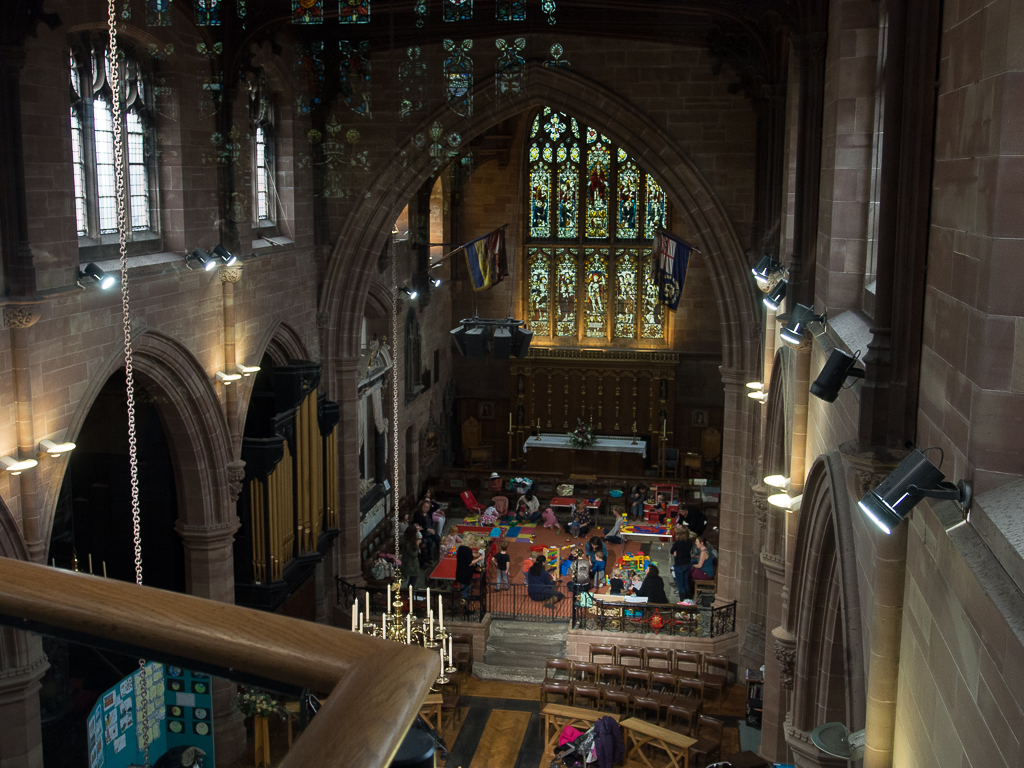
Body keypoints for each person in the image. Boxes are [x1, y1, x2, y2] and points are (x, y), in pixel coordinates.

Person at [670, 527, 693, 601]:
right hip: (687, 564)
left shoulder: (678, 542)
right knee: (686, 582)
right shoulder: (690, 542)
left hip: (679, 565)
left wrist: (675, 551)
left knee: (680, 584)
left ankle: (683, 601)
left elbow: (671, 550)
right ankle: (689, 599)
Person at [399, 525, 422, 589]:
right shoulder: (408, 544)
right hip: (410, 564)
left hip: (410, 563)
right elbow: (414, 554)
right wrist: (417, 545)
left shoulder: (408, 540)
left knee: (412, 580)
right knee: (412, 581)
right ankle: (410, 592)